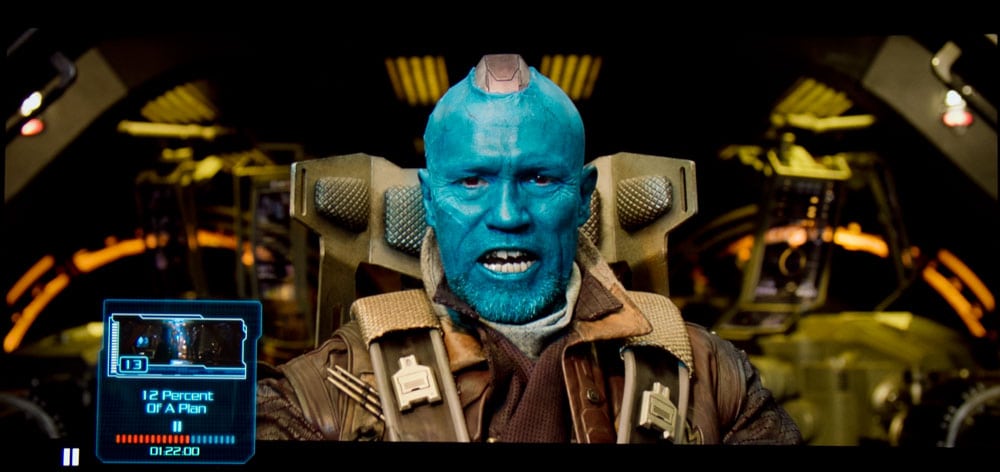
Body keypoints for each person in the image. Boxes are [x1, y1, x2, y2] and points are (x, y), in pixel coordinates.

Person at [256, 53, 803, 445]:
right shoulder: (330, 389)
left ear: (583, 198)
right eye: (472, 181)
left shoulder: (709, 375)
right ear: (429, 201)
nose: (508, 214)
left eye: (540, 179)